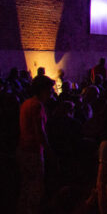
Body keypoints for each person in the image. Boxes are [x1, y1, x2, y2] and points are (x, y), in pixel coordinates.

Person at [17, 75, 55, 214]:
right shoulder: (37, 105)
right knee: (36, 188)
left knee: (26, 187)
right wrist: (49, 151)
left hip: (23, 149)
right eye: (49, 89)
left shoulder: (26, 103)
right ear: (42, 89)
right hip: (33, 151)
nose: (51, 93)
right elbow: (40, 132)